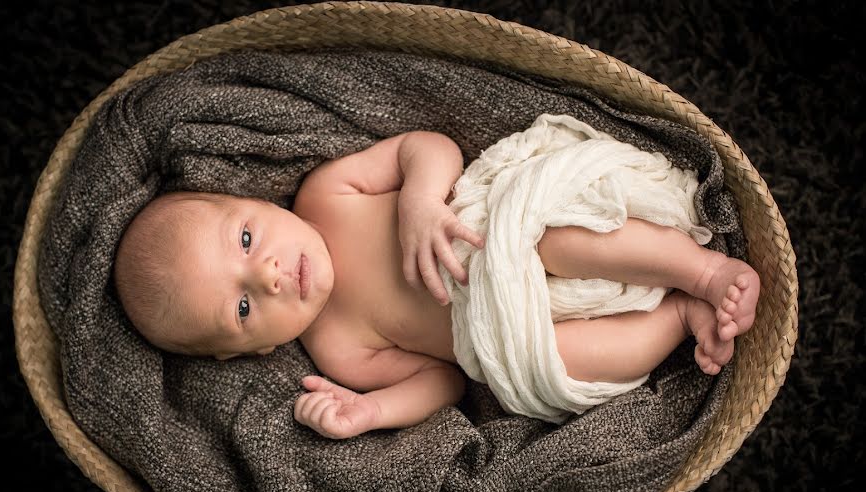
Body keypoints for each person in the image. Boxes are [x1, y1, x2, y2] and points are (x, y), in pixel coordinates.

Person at [113, 131, 760, 439]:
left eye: (248, 241)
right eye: (245, 305)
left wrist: (419, 200)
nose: (271, 274)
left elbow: (423, 146)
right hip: (507, 330)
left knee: (547, 232)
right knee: (559, 369)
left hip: (491, 236)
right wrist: (369, 412)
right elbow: (443, 381)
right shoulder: (335, 348)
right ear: (252, 351)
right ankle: (675, 317)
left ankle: (699, 270)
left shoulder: (326, 195)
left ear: (249, 202)